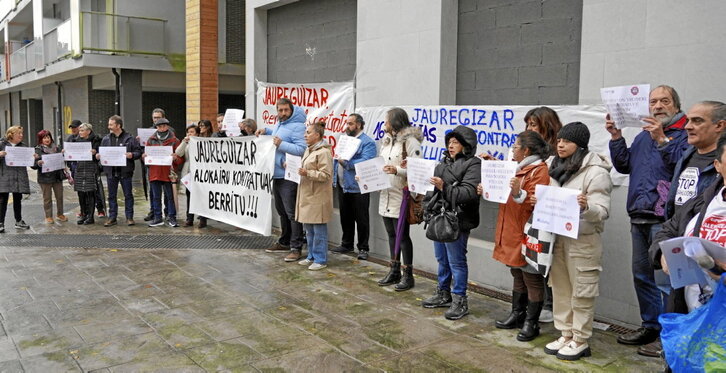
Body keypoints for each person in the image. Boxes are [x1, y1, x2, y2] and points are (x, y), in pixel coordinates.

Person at [606, 85, 690, 355]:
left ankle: (670, 337)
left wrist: (662, 139)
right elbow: (624, 165)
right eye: (653, 101)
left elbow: (682, 164)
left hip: (665, 221)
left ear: (676, 106)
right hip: (639, 216)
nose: (658, 106)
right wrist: (616, 136)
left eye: (664, 101)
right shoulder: (643, 136)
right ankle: (650, 326)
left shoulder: (684, 135)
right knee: (642, 275)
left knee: (667, 280)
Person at [539, 122, 613, 361]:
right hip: (558, 238)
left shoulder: (596, 172)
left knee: (582, 292)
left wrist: (586, 206)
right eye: (559, 140)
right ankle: (565, 333)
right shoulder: (554, 167)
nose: (560, 144)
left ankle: (580, 339)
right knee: (560, 288)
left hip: (583, 242)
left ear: (579, 145)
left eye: (566, 141)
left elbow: (602, 211)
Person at [483, 131, 551, 339]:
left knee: (531, 277)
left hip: (527, 232)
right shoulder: (518, 168)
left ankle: (532, 323)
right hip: (512, 228)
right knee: (517, 272)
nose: (512, 150)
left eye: (515, 147)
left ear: (526, 150)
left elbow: (533, 199)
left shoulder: (539, 170)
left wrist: (517, 191)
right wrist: (492, 168)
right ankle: (517, 314)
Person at [421, 125, 480, 320]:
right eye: (450, 142)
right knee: (442, 259)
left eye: (456, 142)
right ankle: (443, 292)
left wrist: (444, 186)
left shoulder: (473, 164)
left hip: (458, 219)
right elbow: (432, 192)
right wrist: (426, 207)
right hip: (439, 217)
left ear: (466, 145)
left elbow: (468, 193)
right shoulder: (442, 163)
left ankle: (460, 300)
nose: (451, 145)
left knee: (457, 261)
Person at [523, 106, 564, 323]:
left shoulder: (557, 151)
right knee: (536, 257)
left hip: (553, 212)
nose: (529, 129)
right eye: (528, 125)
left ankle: (551, 304)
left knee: (551, 259)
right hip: (532, 212)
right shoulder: (531, 152)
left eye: (533, 125)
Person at [255, 98, 307, 262]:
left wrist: (281, 144)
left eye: (286, 110)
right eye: (280, 110)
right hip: (276, 174)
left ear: (291, 110)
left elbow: (301, 149)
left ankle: (296, 247)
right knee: (282, 211)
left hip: (289, 176)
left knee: (292, 213)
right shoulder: (280, 124)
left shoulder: (298, 126)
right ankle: (285, 241)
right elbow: (278, 136)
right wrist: (267, 131)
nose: (283, 113)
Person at [377, 108, 423, 291]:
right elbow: (381, 164)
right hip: (386, 192)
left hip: (401, 194)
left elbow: (419, 169)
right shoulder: (387, 141)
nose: (385, 124)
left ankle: (408, 274)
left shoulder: (410, 143)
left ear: (395, 122)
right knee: (390, 233)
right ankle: (393, 270)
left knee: (402, 236)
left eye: (387, 120)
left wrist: (398, 170)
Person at [331, 113, 377, 260]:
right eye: (347, 123)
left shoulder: (367, 142)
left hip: (358, 186)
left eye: (350, 124)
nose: (347, 126)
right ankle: (347, 243)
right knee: (345, 216)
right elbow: (336, 158)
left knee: (361, 218)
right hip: (343, 185)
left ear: (358, 125)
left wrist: (347, 164)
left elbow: (365, 162)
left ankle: (363, 247)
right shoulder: (345, 140)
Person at [295, 122, 333, 270]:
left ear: (317, 135)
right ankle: (311, 256)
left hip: (318, 196)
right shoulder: (309, 150)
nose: (305, 135)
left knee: (318, 230)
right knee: (309, 229)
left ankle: (320, 259)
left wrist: (307, 173)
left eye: (309, 132)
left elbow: (326, 175)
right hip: (307, 194)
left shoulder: (324, 152)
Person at [98, 115, 141, 227]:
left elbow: (138, 152)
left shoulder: (130, 138)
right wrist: (99, 156)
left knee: (128, 195)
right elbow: (102, 153)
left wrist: (132, 155)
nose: (109, 126)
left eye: (111, 124)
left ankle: (129, 217)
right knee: (111, 195)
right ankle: (112, 217)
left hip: (125, 171)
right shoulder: (106, 139)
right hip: (111, 172)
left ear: (118, 125)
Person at [144, 118, 182, 227]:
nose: (162, 128)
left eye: (164, 126)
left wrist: (176, 158)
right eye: (159, 126)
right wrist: (144, 157)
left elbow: (180, 159)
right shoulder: (151, 140)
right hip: (155, 172)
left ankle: (172, 217)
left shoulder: (175, 140)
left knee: (170, 197)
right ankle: (157, 218)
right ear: (156, 127)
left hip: (168, 173)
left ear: (167, 126)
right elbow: (146, 157)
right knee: (156, 197)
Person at [0, 126, 32, 232]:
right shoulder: (1, 144)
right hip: (4, 176)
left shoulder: (23, 146)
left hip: (18, 176)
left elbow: (31, 163)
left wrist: (34, 158)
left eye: (22, 133)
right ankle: (0, 223)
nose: (21, 135)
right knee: (2, 200)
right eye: (19, 133)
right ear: (11, 134)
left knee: (17, 199)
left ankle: (18, 221)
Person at [32, 130, 67, 224]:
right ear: (41, 139)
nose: (47, 139)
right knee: (47, 198)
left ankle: (60, 214)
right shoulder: (37, 150)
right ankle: (48, 216)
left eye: (48, 137)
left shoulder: (57, 148)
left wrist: (64, 155)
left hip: (57, 176)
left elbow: (63, 160)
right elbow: (33, 165)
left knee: (59, 196)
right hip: (45, 178)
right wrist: (38, 163)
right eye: (44, 138)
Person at [70, 123, 101, 225]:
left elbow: (100, 154)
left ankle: (90, 216)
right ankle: (84, 214)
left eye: (82, 130)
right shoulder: (76, 141)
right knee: (80, 192)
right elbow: (72, 155)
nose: (80, 132)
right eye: (80, 131)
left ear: (89, 131)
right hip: (79, 168)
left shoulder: (96, 140)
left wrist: (95, 153)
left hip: (90, 168)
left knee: (90, 192)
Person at [143, 108, 169, 222]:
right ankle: (154, 212)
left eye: (158, 117)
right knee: (153, 191)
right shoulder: (148, 131)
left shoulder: (170, 130)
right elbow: (144, 149)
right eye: (154, 118)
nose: (156, 120)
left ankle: (168, 213)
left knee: (167, 192)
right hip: (153, 166)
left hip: (165, 167)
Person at [175, 124, 201, 226]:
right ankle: (189, 218)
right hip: (188, 171)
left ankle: (202, 218)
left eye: (192, 132)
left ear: (197, 133)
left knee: (200, 195)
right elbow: (178, 152)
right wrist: (184, 142)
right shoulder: (187, 143)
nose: (189, 134)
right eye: (188, 132)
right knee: (189, 195)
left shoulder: (201, 142)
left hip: (199, 172)